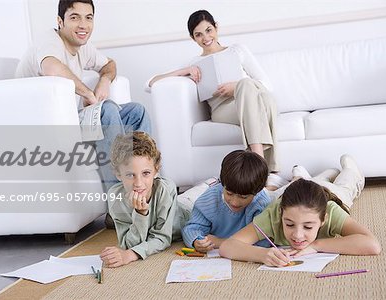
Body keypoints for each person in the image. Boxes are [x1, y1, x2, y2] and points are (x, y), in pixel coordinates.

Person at [15, 0, 151, 195]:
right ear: (60, 21)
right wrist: (88, 93)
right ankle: (117, 203)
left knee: (137, 112)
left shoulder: (81, 46)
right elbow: (51, 67)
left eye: (88, 18)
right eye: (74, 17)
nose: (83, 25)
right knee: (107, 111)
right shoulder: (49, 41)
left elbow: (109, 64)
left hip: (70, 121)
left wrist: (104, 80)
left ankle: (145, 189)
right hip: (45, 128)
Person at [149, 10, 281, 189]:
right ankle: (264, 169)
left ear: (216, 27)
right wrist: (184, 71)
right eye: (198, 34)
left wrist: (236, 87)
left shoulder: (237, 50)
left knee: (252, 89)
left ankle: (260, 166)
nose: (205, 37)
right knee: (253, 92)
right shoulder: (195, 62)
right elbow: (151, 83)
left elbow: (267, 85)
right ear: (192, 38)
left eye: (209, 30)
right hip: (223, 110)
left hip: (250, 100)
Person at [219, 155, 381, 267]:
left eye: (308, 227)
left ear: (323, 219)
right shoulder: (273, 214)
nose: (297, 235)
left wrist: (316, 245)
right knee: (314, 182)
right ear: (281, 214)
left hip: (334, 195)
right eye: (289, 224)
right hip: (303, 191)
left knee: (346, 188)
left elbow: (372, 245)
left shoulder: (331, 211)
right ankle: (325, 174)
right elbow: (228, 246)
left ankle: (350, 171)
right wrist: (262, 255)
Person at [100, 132, 190, 267]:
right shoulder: (115, 197)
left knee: (201, 196)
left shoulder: (166, 189)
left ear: (156, 170)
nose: (138, 183)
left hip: (187, 212)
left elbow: (162, 238)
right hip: (177, 203)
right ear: (118, 174)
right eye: (130, 175)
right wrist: (140, 213)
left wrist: (131, 255)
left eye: (146, 173)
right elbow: (128, 244)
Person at [181, 150, 272, 253]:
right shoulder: (210, 198)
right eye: (229, 193)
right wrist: (196, 240)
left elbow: (264, 242)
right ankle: (209, 182)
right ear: (223, 184)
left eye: (243, 197)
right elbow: (191, 228)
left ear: (257, 191)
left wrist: (220, 242)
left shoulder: (262, 204)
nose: (234, 202)